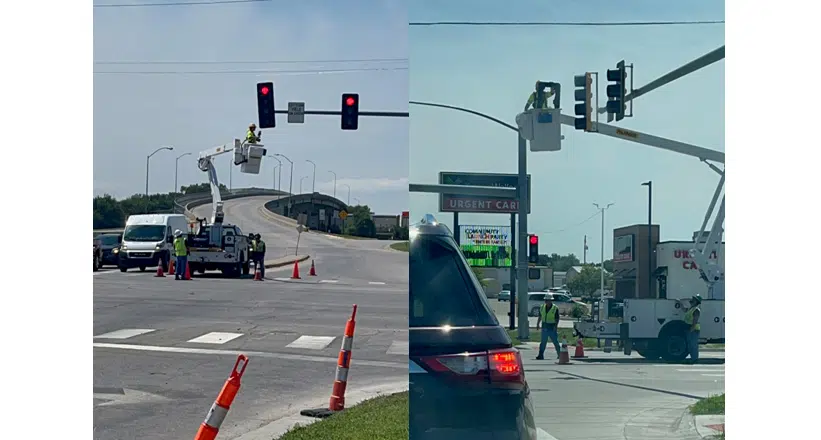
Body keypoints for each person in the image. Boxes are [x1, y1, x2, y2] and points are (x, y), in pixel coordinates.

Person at [535, 294, 562, 360]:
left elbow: (557, 319)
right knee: (543, 342)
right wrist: (538, 324)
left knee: (555, 342)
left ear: (551, 300)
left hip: (552, 326)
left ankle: (560, 355)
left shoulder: (555, 308)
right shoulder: (542, 307)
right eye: (546, 300)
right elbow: (540, 316)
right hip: (544, 326)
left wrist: (555, 327)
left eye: (548, 300)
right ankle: (540, 355)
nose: (547, 302)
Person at [684, 294, 702, 364]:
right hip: (689, 328)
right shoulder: (691, 308)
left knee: (693, 345)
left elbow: (695, 320)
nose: (691, 300)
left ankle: (694, 359)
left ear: (696, 301)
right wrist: (679, 303)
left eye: (693, 299)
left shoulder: (696, 310)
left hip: (693, 329)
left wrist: (692, 328)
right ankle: (693, 358)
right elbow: (684, 310)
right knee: (690, 345)